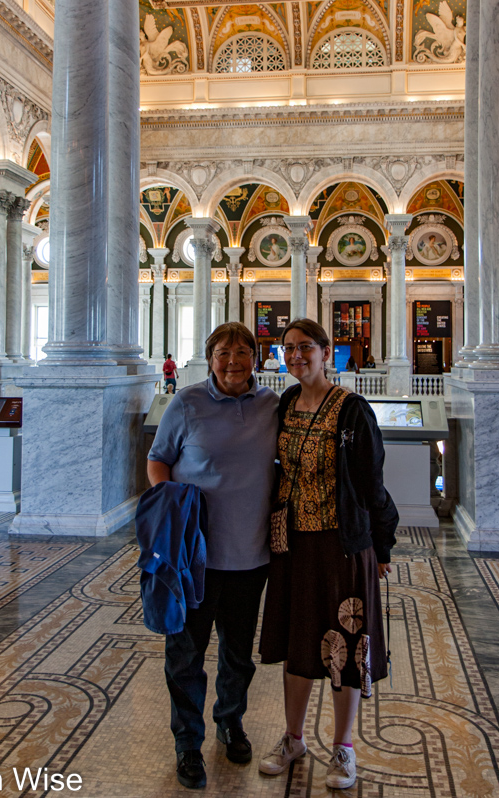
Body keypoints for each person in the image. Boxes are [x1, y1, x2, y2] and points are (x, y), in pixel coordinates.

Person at [259, 318, 399, 790]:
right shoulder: (285, 403)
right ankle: (293, 737)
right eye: (288, 349)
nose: (296, 356)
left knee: (347, 640)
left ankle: (343, 748)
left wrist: (382, 542)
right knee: (299, 639)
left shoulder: (352, 410)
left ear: (325, 351)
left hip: (342, 545)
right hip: (293, 544)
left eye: (305, 349)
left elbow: (370, 482)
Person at [147, 322, 279, 790]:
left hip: (251, 555)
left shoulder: (270, 406)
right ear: (210, 359)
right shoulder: (187, 403)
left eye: (243, 352)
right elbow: (158, 459)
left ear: (257, 359)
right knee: (185, 655)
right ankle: (188, 743)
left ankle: (230, 721)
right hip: (193, 559)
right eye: (224, 352)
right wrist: (171, 512)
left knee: (238, 654)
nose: (233, 361)